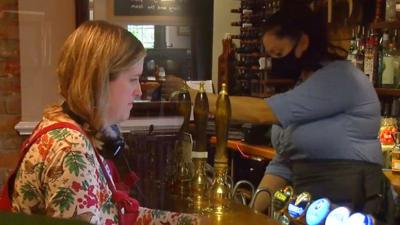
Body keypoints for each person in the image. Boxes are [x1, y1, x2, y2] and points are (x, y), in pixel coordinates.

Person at [165, 3, 394, 223]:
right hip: (310, 204)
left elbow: (263, 112)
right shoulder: (302, 85)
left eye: (278, 53)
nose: (272, 62)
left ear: (303, 42)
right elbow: (283, 164)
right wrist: (248, 213)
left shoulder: (341, 78)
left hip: (351, 202)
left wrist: (196, 96)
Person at [8, 21, 198, 225]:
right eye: (133, 79)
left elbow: (115, 214)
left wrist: (194, 222)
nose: (139, 91)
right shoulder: (71, 150)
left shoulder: (76, 130)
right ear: (99, 81)